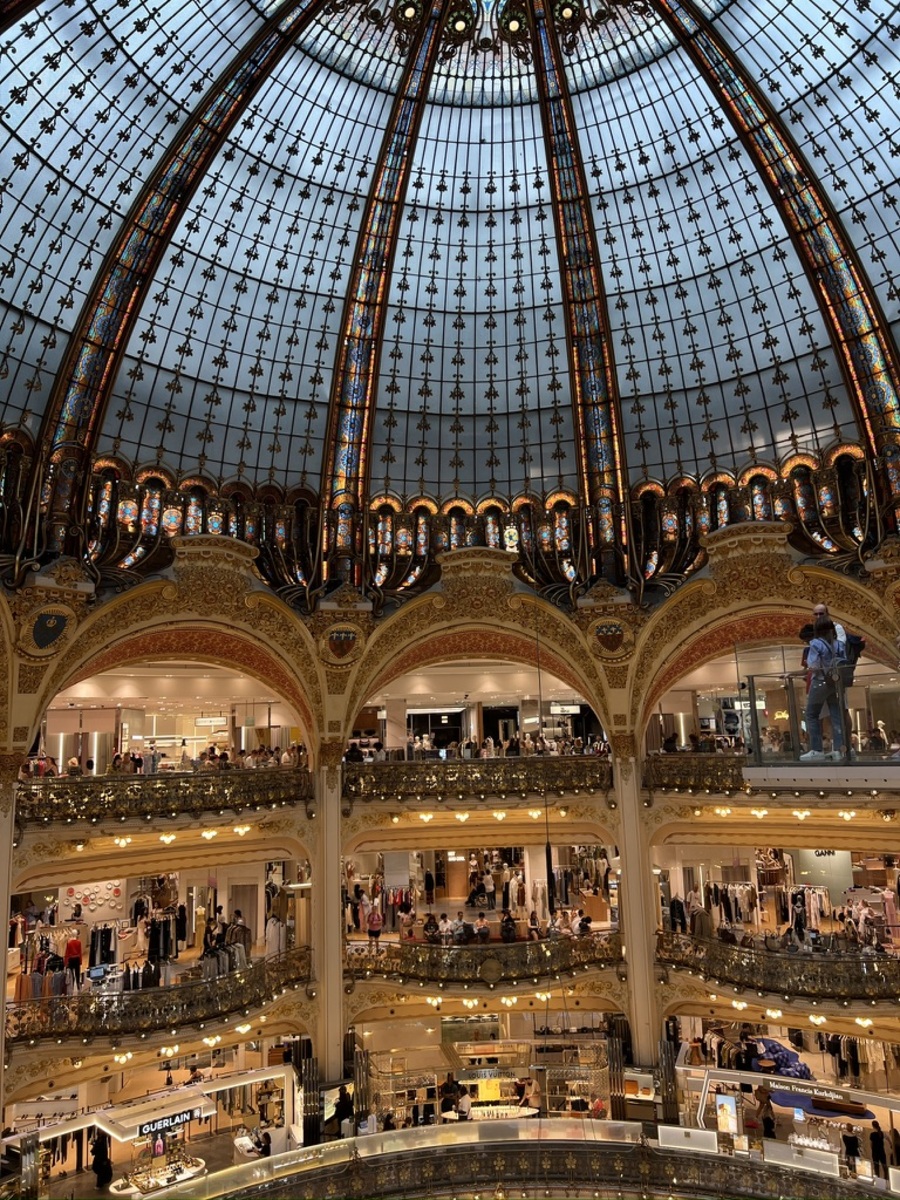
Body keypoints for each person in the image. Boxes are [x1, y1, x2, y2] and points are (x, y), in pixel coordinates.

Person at [802, 614, 844, 761]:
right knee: (836, 716)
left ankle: (816, 749)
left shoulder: (815, 644)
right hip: (835, 682)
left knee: (811, 715)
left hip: (819, 682)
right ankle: (839, 749)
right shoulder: (839, 644)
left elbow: (813, 665)